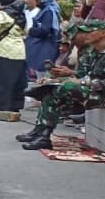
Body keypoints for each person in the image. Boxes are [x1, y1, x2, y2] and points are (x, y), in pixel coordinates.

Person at [17, 21, 105, 150]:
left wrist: (79, 81)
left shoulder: (95, 52)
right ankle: (43, 134)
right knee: (50, 90)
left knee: (63, 88)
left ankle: (44, 133)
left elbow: (95, 81)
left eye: (91, 31)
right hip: (92, 90)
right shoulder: (96, 52)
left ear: (102, 33)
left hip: (100, 94)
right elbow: (85, 75)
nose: (87, 35)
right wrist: (58, 79)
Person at [24, 0, 58, 80]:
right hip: (41, 42)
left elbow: (45, 30)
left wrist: (30, 30)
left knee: (41, 65)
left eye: (40, 0)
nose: (38, 2)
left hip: (45, 44)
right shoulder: (44, 10)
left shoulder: (49, 11)